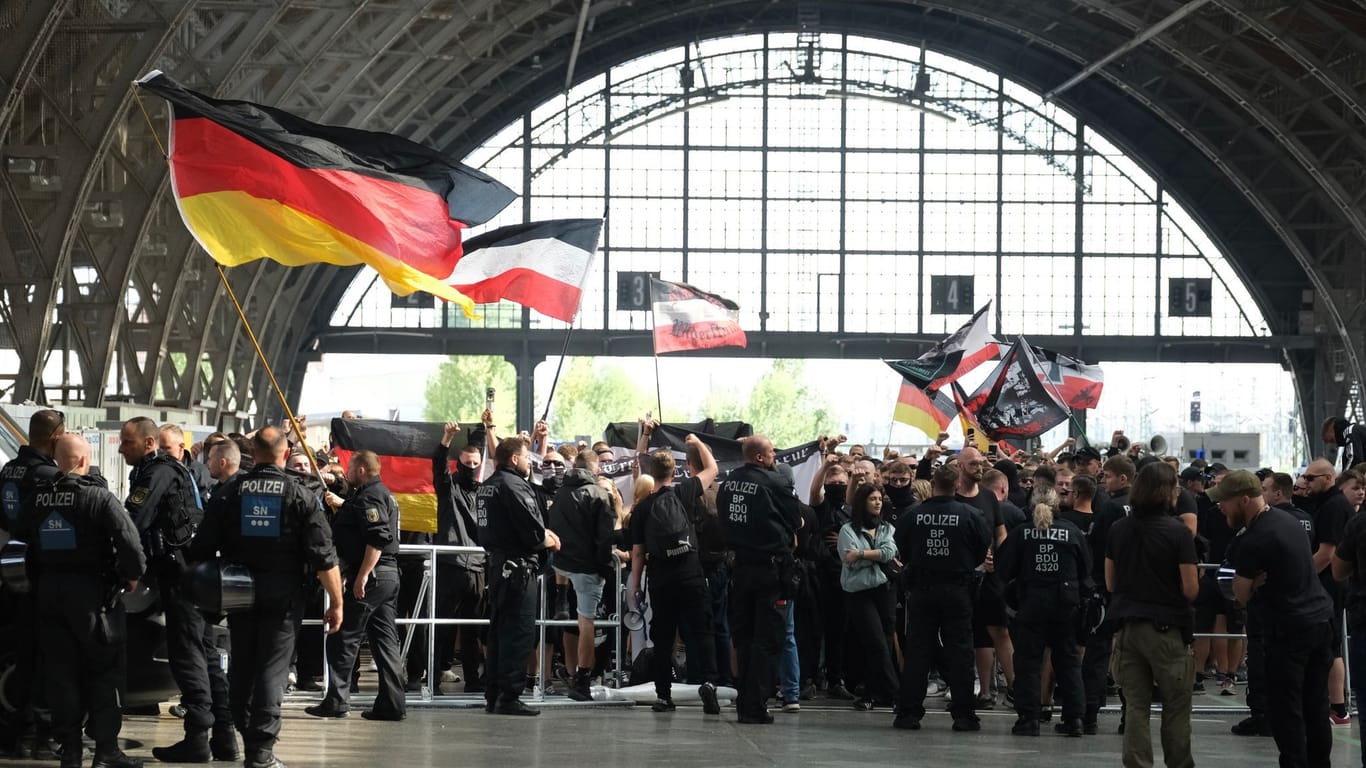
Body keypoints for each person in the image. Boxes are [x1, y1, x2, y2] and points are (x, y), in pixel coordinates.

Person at [188, 426, 343, 768]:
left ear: (253, 453)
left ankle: (247, 733)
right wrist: (337, 602)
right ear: (285, 454)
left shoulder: (229, 492)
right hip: (285, 597)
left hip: (238, 593)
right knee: (273, 672)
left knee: (242, 665)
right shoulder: (300, 494)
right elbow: (323, 555)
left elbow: (201, 548)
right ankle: (260, 753)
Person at [20, 434, 145, 768]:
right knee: (104, 673)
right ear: (81, 461)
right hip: (93, 600)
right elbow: (130, 543)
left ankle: (70, 751)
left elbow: (22, 545)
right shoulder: (98, 498)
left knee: (61, 675)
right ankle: (106, 751)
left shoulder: (36, 500)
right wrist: (132, 576)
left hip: (49, 596)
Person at [119, 416, 234, 763]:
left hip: (179, 574)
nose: (122, 447)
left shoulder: (157, 473)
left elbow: (132, 520)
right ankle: (225, 737)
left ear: (149, 443)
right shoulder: (161, 470)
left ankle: (198, 736)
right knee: (205, 652)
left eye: (128, 442)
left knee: (188, 654)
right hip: (190, 573)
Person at [1213, 470, 1333, 768]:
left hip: (1288, 629)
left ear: (1243, 500)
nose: (1220, 507)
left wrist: (1251, 584)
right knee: (1316, 705)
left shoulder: (1254, 539)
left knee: (1285, 708)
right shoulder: (1289, 521)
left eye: (1224, 502)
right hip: (1319, 619)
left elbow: (1240, 593)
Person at [1106, 462, 1199, 768]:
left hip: (1128, 628)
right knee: (1175, 706)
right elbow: (1190, 588)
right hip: (1167, 630)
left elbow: (1110, 582)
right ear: (1166, 491)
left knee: (1136, 706)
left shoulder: (1118, 529)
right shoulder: (1179, 533)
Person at [305, 451, 405, 721]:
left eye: (350, 468)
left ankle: (337, 700)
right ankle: (392, 704)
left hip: (373, 577)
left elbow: (378, 539)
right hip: (387, 576)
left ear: (361, 470)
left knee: (342, 636)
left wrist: (361, 576)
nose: (346, 472)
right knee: (384, 641)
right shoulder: (379, 494)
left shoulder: (370, 496)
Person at [893, 464, 992, 732]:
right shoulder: (970, 514)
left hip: (922, 590)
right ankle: (963, 715)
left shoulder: (913, 515)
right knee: (960, 651)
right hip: (958, 589)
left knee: (917, 652)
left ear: (933, 483)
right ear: (957, 484)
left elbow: (900, 546)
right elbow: (983, 548)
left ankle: (908, 713)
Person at [628, 438, 722, 715]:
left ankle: (663, 696)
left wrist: (636, 585)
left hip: (661, 579)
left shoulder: (642, 509)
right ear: (675, 471)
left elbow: (637, 554)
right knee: (703, 632)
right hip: (691, 574)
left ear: (650, 473)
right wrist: (698, 442)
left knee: (663, 638)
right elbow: (713, 468)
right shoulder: (685, 492)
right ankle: (709, 683)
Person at [718, 435, 803, 724]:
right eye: (771, 453)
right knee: (768, 640)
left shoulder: (727, 483)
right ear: (759, 457)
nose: (774, 458)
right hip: (770, 570)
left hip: (739, 569)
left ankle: (744, 702)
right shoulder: (774, 483)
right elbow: (796, 521)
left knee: (743, 638)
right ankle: (756, 705)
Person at [998, 485, 1092, 737]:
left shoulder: (1021, 534)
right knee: (1068, 662)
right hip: (1066, 605)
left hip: (1031, 605)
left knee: (1028, 663)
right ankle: (1074, 720)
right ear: (1057, 505)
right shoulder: (1072, 532)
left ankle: (1029, 720)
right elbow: (1086, 571)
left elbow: (1003, 571)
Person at [477, 436, 560, 716]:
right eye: (526, 456)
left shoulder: (487, 485)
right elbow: (533, 530)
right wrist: (547, 538)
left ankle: (494, 694)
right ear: (514, 458)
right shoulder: (514, 486)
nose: (529, 462)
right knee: (519, 633)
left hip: (497, 565)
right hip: (518, 567)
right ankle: (509, 696)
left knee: (499, 632)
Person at [0, 408, 63, 758]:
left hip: (12, 568)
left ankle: (18, 734)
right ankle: (39, 734)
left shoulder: (8, 470)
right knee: (45, 657)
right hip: (42, 572)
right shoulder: (47, 475)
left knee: (22, 655)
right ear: (55, 436)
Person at [549, 450, 617, 701]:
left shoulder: (560, 492)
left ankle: (561, 598)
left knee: (573, 620)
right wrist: (604, 567)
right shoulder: (599, 494)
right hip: (587, 567)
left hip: (562, 562)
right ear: (595, 468)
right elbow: (604, 537)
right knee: (586, 624)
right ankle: (582, 681)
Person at [837, 484, 899, 711]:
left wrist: (862, 554)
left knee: (883, 643)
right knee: (875, 642)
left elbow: (889, 552)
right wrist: (876, 556)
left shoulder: (886, 528)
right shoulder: (847, 530)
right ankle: (895, 694)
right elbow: (848, 559)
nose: (877, 502)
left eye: (879, 499)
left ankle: (873, 693)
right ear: (862, 502)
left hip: (884, 590)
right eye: (872, 499)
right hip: (859, 593)